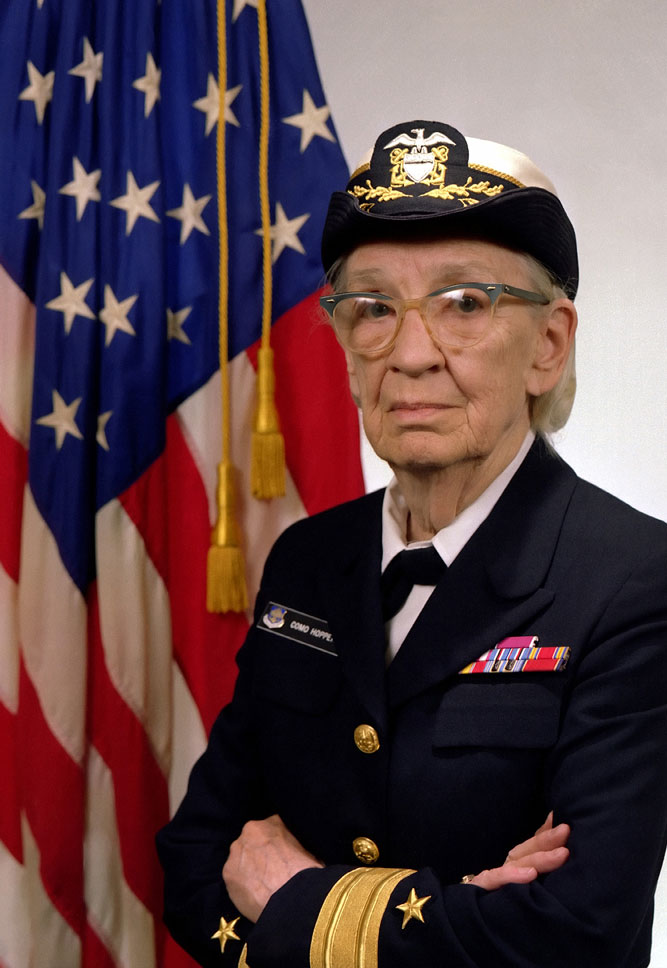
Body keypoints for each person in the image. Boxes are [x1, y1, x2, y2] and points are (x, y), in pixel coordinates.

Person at [156, 119, 667, 968]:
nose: (411, 354)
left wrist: (290, 900)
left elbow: (573, 934)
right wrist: (452, 917)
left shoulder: (631, 581)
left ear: (548, 344)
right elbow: (193, 864)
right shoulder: (310, 561)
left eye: (464, 304)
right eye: (372, 309)